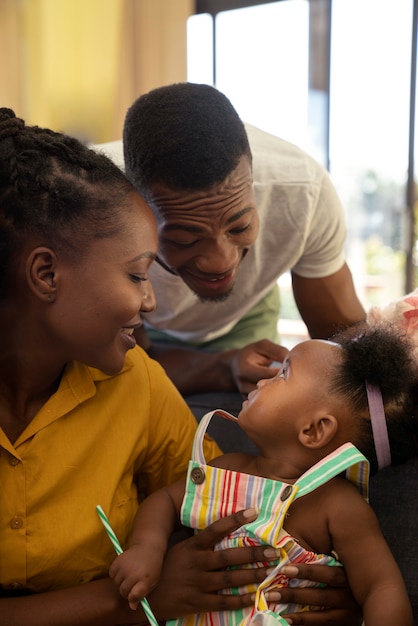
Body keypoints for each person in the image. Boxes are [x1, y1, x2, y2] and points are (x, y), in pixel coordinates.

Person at [0, 107, 357, 626]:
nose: (150, 303)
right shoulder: (95, 199)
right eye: (138, 274)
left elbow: (238, 494)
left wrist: (305, 573)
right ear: (46, 272)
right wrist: (140, 601)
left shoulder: (136, 385)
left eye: (237, 225)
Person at [96, 81, 366, 431]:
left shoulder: (302, 194)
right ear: (139, 210)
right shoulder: (96, 207)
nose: (219, 262)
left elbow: (345, 347)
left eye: (239, 228)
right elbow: (131, 364)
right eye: (185, 239)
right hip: (142, 332)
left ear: (253, 186)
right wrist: (224, 367)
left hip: (247, 316)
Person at [108, 325, 416, 626]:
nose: (266, 379)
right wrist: (146, 548)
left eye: (284, 374)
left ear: (314, 430)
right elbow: (165, 500)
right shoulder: (225, 469)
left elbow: (381, 588)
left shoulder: (338, 507)